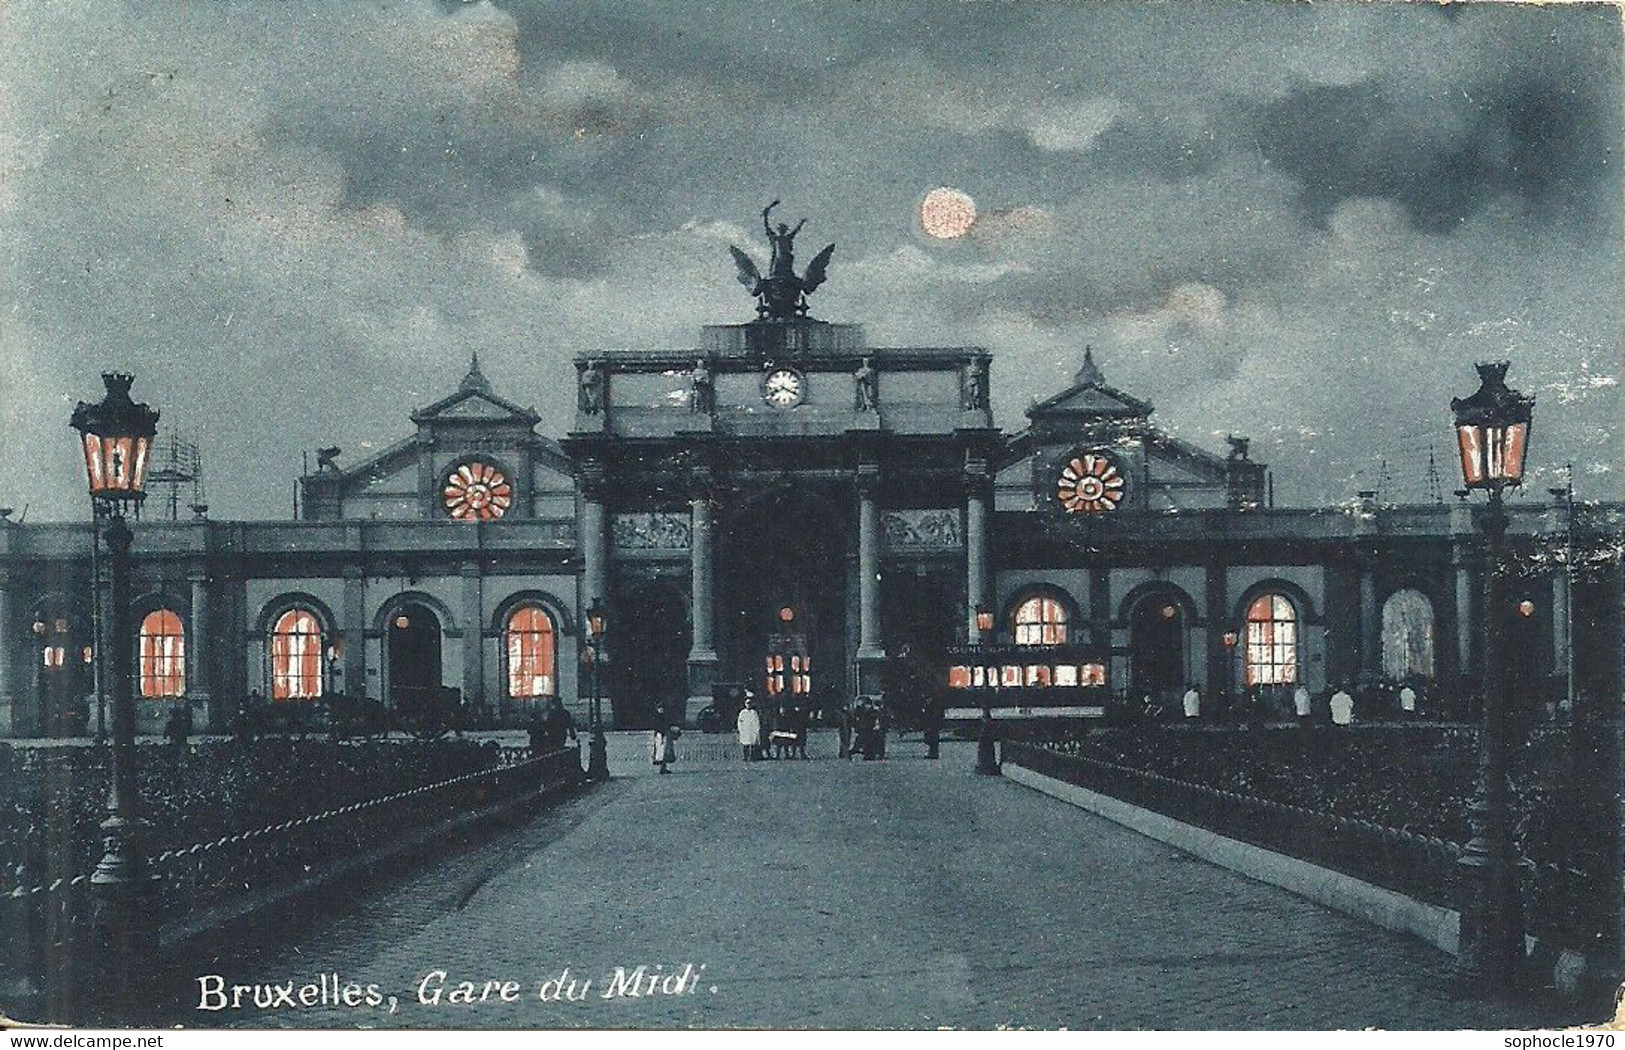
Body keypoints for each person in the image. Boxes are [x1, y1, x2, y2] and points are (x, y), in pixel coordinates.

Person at [737, 694, 762, 762]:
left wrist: (757, 730)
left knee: (753, 744)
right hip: (745, 730)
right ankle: (745, 756)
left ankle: (753, 756)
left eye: (750, 703)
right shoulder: (742, 712)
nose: (748, 704)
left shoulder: (754, 712)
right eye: (747, 703)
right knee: (745, 744)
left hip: (752, 730)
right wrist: (740, 729)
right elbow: (740, 722)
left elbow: (757, 722)